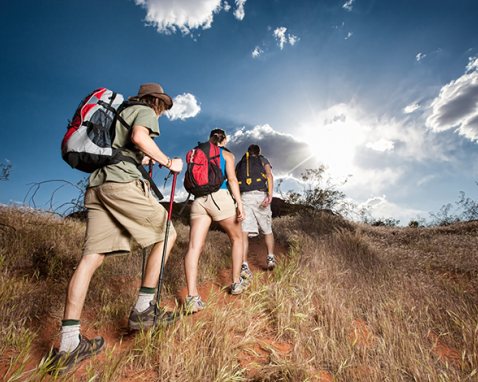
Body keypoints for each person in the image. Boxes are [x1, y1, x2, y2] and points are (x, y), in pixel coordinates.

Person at [48, 83, 183, 374]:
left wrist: (147, 159)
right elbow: (139, 136)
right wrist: (169, 162)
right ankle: (145, 309)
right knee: (167, 233)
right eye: (163, 106)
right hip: (122, 184)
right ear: (156, 101)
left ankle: (68, 344)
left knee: (91, 258)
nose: (163, 111)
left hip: (98, 187)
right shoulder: (145, 110)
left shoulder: (120, 112)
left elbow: (129, 146)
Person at [183, 129, 246, 314]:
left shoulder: (197, 151)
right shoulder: (226, 154)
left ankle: (192, 297)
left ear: (210, 139)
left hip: (199, 200)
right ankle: (235, 283)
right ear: (223, 140)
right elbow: (233, 180)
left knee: (194, 247)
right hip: (220, 198)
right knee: (237, 238)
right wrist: (239, 205)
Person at [235, 144, 276, 281]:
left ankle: (244, 264)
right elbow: (269, 176)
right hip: (260, 195)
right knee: (267, 229)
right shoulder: (262, 159)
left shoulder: (241, 163)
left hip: (244, 196)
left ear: (248, 152)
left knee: (244, 233)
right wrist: (269, 195)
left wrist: (237, 201)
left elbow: (233, 181)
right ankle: (270, 257)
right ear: (258, 152)